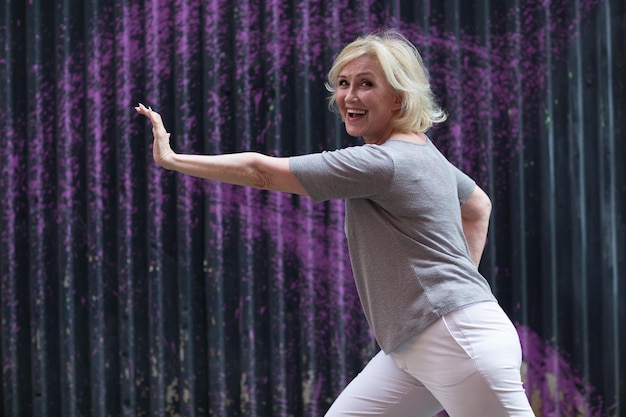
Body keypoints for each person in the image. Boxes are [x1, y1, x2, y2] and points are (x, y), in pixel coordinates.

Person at [136, 29, 535, 417]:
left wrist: (173, 159)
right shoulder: (423, 153)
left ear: (398, 99)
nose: (349, 96)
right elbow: (478, 205)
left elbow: (262, 172)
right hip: (415, 345)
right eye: (343, 83)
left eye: (366, 84)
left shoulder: (382, 162)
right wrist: (457, 282)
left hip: (457, 340)